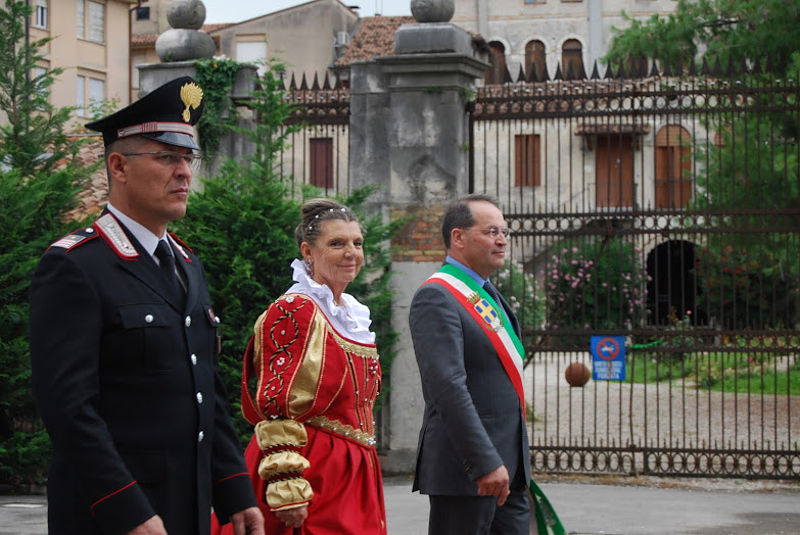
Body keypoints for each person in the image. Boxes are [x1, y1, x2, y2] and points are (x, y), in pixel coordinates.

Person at [29, 76, 263, 535]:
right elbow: (68, 410)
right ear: (118, 166)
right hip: (113, 515)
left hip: (187, 507)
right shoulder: (76, 266)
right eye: (166, 157)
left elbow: (204, 390)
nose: (185, 172)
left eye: (188, 158)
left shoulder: (185, 263)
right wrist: (127, 510)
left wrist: (234, 489)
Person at [212, 198, 386, 534]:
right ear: (308, 251)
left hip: (355, 467)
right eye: (337, 243)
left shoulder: (353, 313)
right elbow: (275, 405)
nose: (351, 252)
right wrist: (286, 484)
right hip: (310, 468)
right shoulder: (295, 308)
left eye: (357, 243)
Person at [409, 194, 531, 535]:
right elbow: (447, 387)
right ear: (458, 237)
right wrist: (484, 461)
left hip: (509, 469)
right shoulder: (437, 296)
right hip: (469, 474)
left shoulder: (488, 294)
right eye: (491, 231)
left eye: (504, 231)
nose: (502, 239)